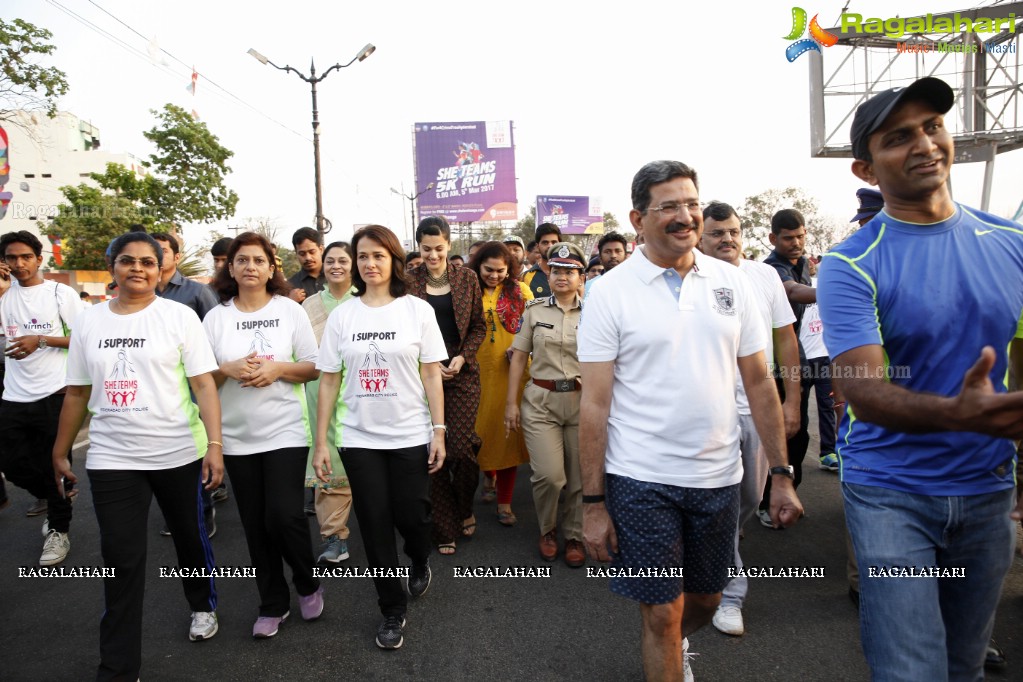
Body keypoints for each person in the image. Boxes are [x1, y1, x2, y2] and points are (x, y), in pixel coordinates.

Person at [819, 75, 1023, 681]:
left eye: (933, 126)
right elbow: (863, 389)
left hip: (988, 491)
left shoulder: (1013, 243)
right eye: (899, 136)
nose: (925, 144)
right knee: (912, 670)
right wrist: (956, 413)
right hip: (891, 496)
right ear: (866, 169)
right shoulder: (849, 262)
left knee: (963, 666)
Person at [578, 160, 803, 681]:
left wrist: (783, 475)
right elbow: (594, 404)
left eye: (692, 204)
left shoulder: (734, 283)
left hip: (718, 477)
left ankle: (672, 651)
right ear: (638, 218)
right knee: (661, 611)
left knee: (706, 599)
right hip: (641, 479)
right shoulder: (609, 292)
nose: (686, 217)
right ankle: (665, 653)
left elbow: (759, 383)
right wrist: (592, 504)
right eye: (670, 207)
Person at [50, 231, 224, 680]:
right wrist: (61, 450)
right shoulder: (90, 322)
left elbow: (204, 384)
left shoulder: (179, 317)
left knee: (189, 537)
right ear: (113, 267)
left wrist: (215, 447)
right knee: (122, 561)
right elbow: (76, 391)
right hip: (112, 458)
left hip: (177, 452)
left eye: (148, 262)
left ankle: (202, 604)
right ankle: (119, 667)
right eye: (128, 261)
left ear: (160, 267)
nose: (138, 269)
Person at [313, 224, 445, 650]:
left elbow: (431, 373)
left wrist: (438, 429)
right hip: (358, 438)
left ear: (394, 261)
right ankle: (391, 609)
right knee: (373, 525)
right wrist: (321, 442)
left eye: (378, 256)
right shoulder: (343, 316)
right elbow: (329, 381)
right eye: (362, 256)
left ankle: (420, 556)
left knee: (413, 516)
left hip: (409, 432)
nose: (369, 264)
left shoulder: (416, 310)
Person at [203, 231, 324, 638]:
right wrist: (227, 369)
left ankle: (307, 582)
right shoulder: (216, 318)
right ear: (230, 268)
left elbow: (314, 366)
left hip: (285, 431)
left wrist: (276, 369)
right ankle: (273, 602)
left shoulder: (290, 311)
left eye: (258, 260)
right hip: (236, 437)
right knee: (255, 524)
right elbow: (200, 380)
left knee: (285, 516)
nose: (250, 267)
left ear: (271, 267)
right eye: (242, 261)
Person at [698, 202, 800, 637]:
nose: (728, 239)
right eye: (717, 233)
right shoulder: (690, 279)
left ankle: (721, 548)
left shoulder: (765, 277)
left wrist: (792, 400)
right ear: (700, 239)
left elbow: (786, 340)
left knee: (746, 498)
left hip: (758, 408)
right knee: (719, 503)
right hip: (708, 414)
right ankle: (731, 592)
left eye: (734, 231)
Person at [0, 230, 84, 565]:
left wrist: (41, 339)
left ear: (39, 258)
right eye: (11, 258)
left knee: (56, 463)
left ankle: (58, 531)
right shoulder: (5, 300)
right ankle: (55, 497)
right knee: (10, 462)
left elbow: (83, 338)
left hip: (56, 392)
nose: (19, 264)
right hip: (14, 395)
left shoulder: (60, 294)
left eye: (25, 257)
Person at [506, 242, 587, 566]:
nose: (562, 276)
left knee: (580, 476)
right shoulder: (534, 310)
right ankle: (548, 529)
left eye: (569, 271)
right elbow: (518, 358)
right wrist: (511, 404)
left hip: (582, 402)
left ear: (581, 277)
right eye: (556, 270)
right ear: (547, 274)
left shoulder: (595, 312)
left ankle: (576, 536)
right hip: (541, 402)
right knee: (550, 476)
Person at [409, 216, 486, 554]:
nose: (433, 255)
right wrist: (427, 363)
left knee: (461, 451)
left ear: (449, 244)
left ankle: (464, 506)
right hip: (422, 374)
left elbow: (479, 327)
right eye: (426, 249)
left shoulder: (467, 278)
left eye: (439, 248)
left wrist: (462, 358)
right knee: (434, 452)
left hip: (462, 372)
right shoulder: (407, 282)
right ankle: (444, 526)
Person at [151, 231, 222, 531]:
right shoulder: (140, 294)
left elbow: (215, 336)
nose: (156, 257)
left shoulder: (196, 292)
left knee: (196, 450)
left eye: (163, 251)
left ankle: (203, 513)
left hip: (194, 384)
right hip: (157, 389)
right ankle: (178, 511)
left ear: (176, 256)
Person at [758, 208, 817, 527]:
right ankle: (765, 501)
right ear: (773, 238)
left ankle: (788, 494)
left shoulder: (804, 263)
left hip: (797, 357)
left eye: (800, 236)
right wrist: (840, 293)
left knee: (799, 434)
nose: (796, 243)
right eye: (788, 238)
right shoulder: (770, 269)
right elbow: (793, 292)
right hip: (768, 363)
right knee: (772, 434)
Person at [468, 242, 532, 521]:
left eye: (500, 271)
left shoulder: (520, 291)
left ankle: (504, 502)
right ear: (478, 267)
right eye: (488, 270)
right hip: (474, 372)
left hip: (512, 371)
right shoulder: (467, 290)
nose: (494, 276)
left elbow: (533, 326)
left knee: (508, 435)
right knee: (479, 432)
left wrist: (521, 347)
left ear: (509, 270)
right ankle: (488, 476)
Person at [302, 241, 356, 564]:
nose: (336, 265)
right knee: (325, 458)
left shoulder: (364, 302)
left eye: (343, 260)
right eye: (330, 260)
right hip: (318, 390)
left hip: (357, 390)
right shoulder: (308, 305)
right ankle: (334, 537)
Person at [151, 232, 218, 321]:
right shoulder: (139, 292)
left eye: (163, 251)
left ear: (177, 258)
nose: (157, 256)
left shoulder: (198, 291)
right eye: (153, 251)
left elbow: (215, 327)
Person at [522, 223, 563, 298]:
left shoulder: (571, 274)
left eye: (554, 242)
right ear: (538, 246)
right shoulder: (525, 277)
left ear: (560, 244)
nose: (550, 246)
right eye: (545, 242)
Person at [584, 231, 629, 298]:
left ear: (625, 256)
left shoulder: (637, 283)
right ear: (600, 258)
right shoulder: (589, 287)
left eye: (618, 251)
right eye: (607, 252)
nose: (613, 255)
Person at [288, 227, 325, 303]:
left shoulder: (336, 276)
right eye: (302, 254)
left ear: (321, 249)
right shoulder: (290, 285)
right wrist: (290, 302)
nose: (308, 258)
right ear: (296, 253)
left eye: (312, 252)